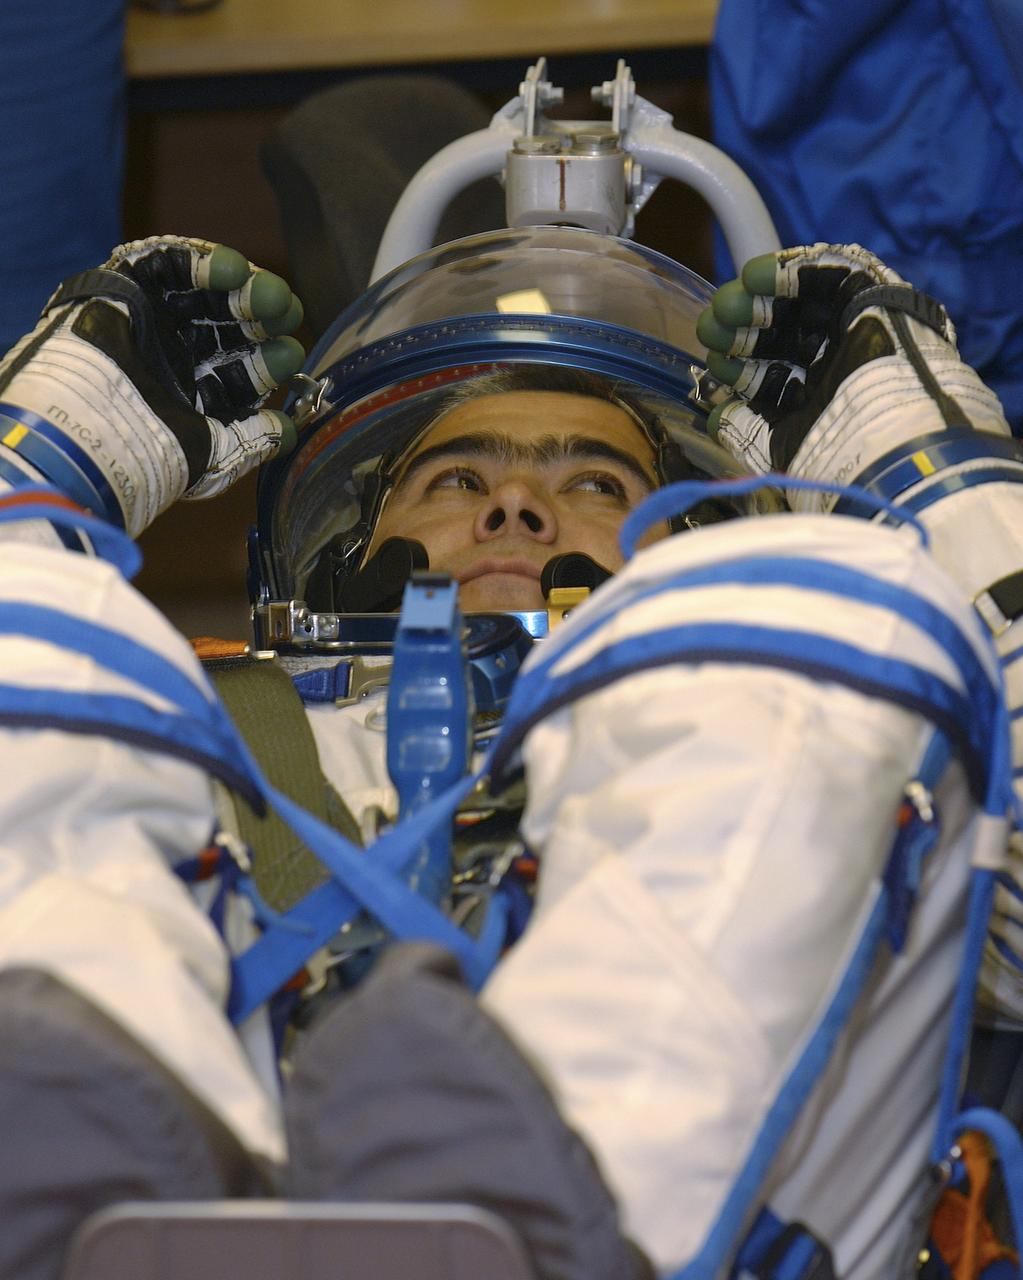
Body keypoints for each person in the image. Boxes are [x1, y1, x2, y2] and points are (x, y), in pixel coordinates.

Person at [0, 230, 1018, 1280]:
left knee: (849, 614)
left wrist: (899, 443)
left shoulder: (798, 724)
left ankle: (542, 1207)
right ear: (356, 547)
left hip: (681, 1237)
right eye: (454, 476)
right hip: (196, 1203)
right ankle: (85, 1178)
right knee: (41, 629)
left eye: (594, 482)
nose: (516, 504)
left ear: (681, 550)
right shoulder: (179, 724)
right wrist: (65, 433)